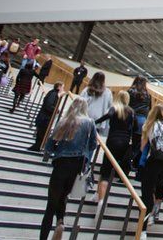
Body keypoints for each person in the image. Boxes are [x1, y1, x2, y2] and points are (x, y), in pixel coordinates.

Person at [41, 98, 98, 240]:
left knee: (51, 204)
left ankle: (45, 235)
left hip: (61, 164)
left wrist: (57, 151)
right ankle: (60, 221)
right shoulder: (89, 123)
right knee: (63, 196)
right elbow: (93, 145)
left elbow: (49, 145)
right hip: (77, 166)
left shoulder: (63, 121)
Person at [94, 90, 136, 215]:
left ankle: (101, 200)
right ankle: (97, 194)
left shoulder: (114, 108)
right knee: (114, 169)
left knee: (105, 170)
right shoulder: (131, 112)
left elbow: (107, 116)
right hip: (124, 143)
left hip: (112, 141)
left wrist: (95, 122)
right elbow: (136, 128)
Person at [139, 104, 163, 234]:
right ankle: (151, 216)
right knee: (158, 188)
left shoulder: (151, 124)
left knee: (147, 193)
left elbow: (142, 147)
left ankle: (143, 229)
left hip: (154, 161)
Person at [29, 82, 65, 152]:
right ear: (59, 87)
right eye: (63, 87)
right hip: (45, 117)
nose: (63, 89)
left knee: (42, 133)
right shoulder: (53, 94)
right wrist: (56, 110)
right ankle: (38, 146)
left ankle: (38, 146)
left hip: (44, 117)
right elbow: (48, 105)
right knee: (42, 132)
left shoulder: (52, 93)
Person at [128, 76, 152, 168]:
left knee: (127, 142)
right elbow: (149, 109)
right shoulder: (147, 95)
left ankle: (124, 162)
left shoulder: (130, 91)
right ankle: (134, 163)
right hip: (142, 121)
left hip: (130, 118)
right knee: (137, 144)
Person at [81, 72, 112, 137]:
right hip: (98, 120)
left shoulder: (87, 90)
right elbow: (110, 106)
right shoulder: (108, 92)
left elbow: (80, 102)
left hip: (85, 116)